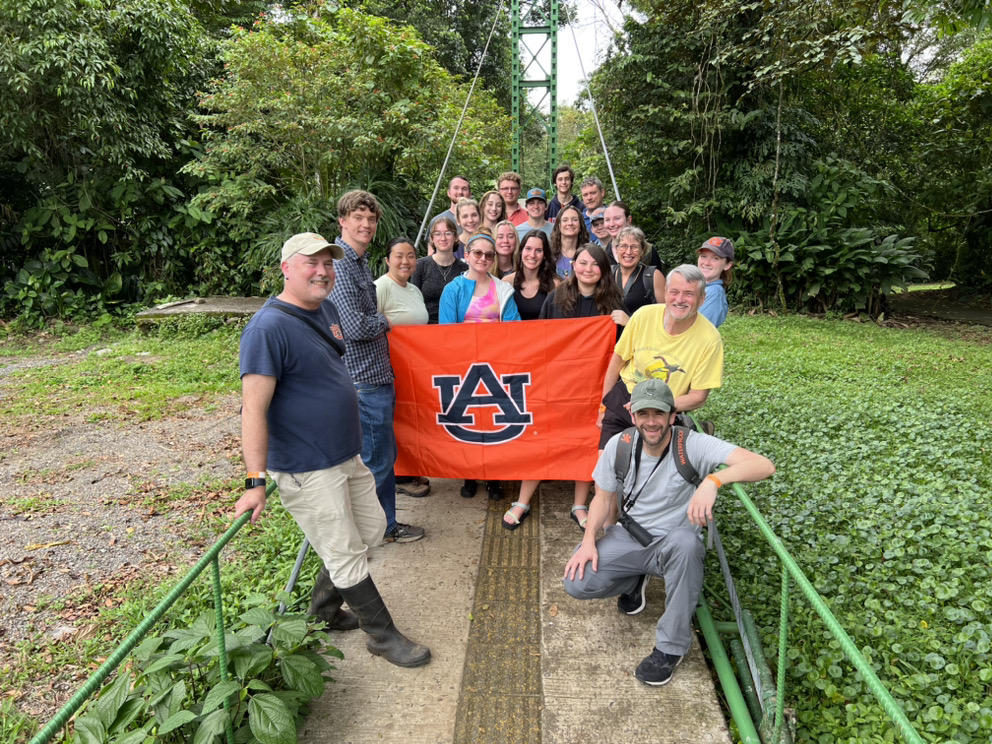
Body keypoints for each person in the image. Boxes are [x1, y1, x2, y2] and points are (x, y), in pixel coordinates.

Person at [235, 231, 431, 668]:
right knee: (344, 550)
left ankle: (322, 610)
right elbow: (253, 409)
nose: (322, 271)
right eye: (311, 263)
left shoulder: (324, 309)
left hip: (345, 452)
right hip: (306, 466)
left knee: (370, 528)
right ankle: (382, 636)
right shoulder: (267, 329)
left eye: (327, 263)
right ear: (287, 268)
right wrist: (255, 480)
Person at [563, 378, 774, 686]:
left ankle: (669, 648)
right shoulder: (618, 445)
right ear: (633, 415)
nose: (652, 422)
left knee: (688, 545)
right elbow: (603, 497)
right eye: (644, 414)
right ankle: (635, 579)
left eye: (659, 414)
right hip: (630, 535)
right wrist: (588, 541)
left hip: (674, 543)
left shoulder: (691, 444)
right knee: (576, 581)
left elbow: (763, 465)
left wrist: (712, 481)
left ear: (672, 416)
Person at [500, 244, 623, 532]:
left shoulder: (615, 301)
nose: (588, 269)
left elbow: (629, 348)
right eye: (582, 263)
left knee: (587, 441)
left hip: (595, 387)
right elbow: (542, 339)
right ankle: (523, 500)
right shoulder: (557, 297)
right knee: (540, 437)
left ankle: (579, 504)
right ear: (573, 265)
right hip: (555, 384)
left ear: (604, 269)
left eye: (595, 264)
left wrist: (627, 323)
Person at [329, 190, 425, 544]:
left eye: (371, 219)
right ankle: (381, 528)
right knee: (377, 461)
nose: (366, 224)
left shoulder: (359, 263)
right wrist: (384, 319)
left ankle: (378, 525)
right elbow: (354, 327)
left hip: (375, 374)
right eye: (358, 217)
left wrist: (375, 319)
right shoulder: (340, 265)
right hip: (363, 377)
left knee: (380, 457)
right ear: (343, 221)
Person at [598, 264, 723, 450]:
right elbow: (617, 361)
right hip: (624, 397)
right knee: (607, 465)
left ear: (702, 299)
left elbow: (698, 397)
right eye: (674, 291)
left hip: (664, 408)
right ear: (665, 292)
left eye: (689, 294)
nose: (680, 299)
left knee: (650, 471)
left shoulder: (710, 339)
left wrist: (656, 404)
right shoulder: (643, 316)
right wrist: (604, 406)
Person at [440, 231, 521, 500]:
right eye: (478, 253)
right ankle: (470, 474)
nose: (483, 258)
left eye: (489, 254)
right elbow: (446, 330)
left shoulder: (503, 289)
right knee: (471, 420)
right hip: (465, 365)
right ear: (467, 255)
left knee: (493, 421)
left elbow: (513, 327)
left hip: (496, 364)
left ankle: (495, 477)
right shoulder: (453, 289)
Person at [375, 236, 431, 499]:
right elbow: (368, 325)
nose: (405, 261)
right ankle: (398, 475)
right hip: (388, 366)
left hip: (413, 368)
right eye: (399, 255)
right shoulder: (381, 287)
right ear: (387, 260)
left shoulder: (414, 290)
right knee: (392, 420)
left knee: (409, 419)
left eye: (410, 255)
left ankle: (409, 469)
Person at [411, 216, 468, 324]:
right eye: (437, 234)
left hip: (455, 326)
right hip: (426, 326)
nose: (443, 238)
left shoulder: (465, 269)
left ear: (456, 237)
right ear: (432, 238)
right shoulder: (420, 265)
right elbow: (414, 301)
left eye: (448, 233)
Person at [610, 226, 666, 328]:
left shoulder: (653, 276)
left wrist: (631, 323)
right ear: (616, 250)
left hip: (641, 341)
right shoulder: (607, 274)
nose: (628, 252)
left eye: (634, 247)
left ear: (642, 251)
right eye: (623, 246)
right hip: (611, 340)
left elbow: (665, 318)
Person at [503, 229, 560, 321]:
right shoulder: (507, 282)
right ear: (521, 251)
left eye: (538, 250)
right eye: (528, 249)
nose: (532, 255)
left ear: (545, 255)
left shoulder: (554, 285)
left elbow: (556, 322)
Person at [697, 236, 734, 328]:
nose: (706, 263)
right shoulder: (700, 288)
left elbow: (699, 331)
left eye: (715, 258)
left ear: (727, 265)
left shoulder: (714, 292)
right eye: (703, 256)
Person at [549, 203, 590, 279]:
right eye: (565, 220)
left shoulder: (589, 253)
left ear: (581, 225)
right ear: (559, 226)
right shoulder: (549, 254)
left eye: (574, 220)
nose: (570, 223)